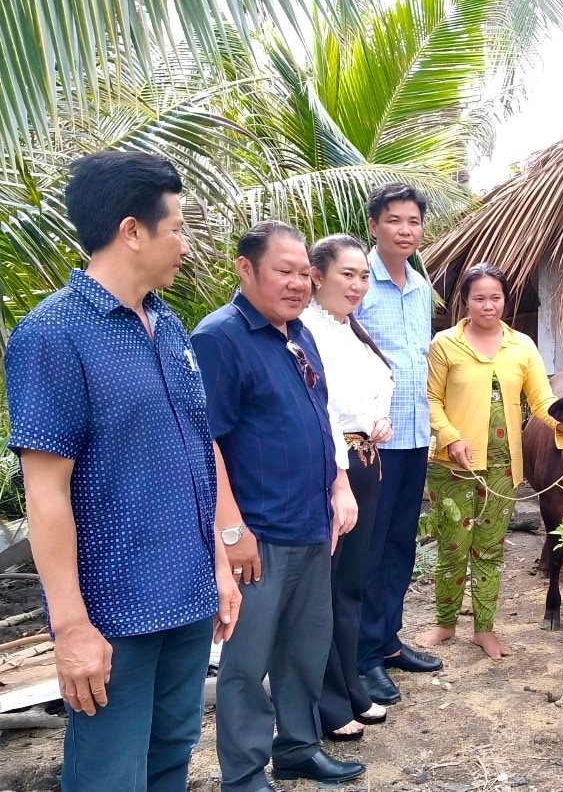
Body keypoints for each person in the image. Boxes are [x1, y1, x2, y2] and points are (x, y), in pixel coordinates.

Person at [4, 151, 240, 792]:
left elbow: (198, 448)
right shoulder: (53, 335)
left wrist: (219, 564)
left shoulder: (168, 327)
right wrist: (71, 627)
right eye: (179, 229)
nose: (186, 245)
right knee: (109, 773)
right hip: (115, 613)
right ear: (132, 231)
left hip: (188, 598)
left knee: (171, 753)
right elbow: (45, 492)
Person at [191, 222, 364, 791]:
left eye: (303, 274)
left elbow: (321, 416)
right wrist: (232, 530)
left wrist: (338, 485)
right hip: (258, 533)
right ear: (246, 270)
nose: (297, 284)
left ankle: (296, 748)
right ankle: (243, 774)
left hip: (311, 522)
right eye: (283, 272)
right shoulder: (219, 338)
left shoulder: (298, 333)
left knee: (304, 649)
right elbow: (207, 440)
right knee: (246, 663)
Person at [413, 264, 563, 660]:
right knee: (453, 547)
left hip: (503, 467)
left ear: (505, 299)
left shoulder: (521, 346)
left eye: (496, 297)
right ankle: (445, 622)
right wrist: (451, 437)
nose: (488, 306)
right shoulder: (445, 344)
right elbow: (431, 402)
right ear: (466, 301)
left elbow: (541, 400)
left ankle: (485, 629)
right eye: (479, 298)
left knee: (490, 550)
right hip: (453, 464)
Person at [300, 234, 395, 742]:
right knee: (329, 590)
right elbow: (321, 410)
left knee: (351, 585)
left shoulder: (349, 329)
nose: (358, 285)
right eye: (347, 274)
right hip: (334, 471)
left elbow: (372, 390)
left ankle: (351, 685)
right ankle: (329, 700)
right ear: (317, 276)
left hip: (366, 461)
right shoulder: (307, 331)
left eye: (363, 276)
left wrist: (378, 420)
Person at [356, 183, 443, 706]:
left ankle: (387, 641)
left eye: (413, 221)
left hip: (414, 437)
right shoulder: (357, 280)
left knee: (399, 545)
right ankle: (362, 656)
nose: (405, 230)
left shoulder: (419, 284)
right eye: (394, 220)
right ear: (374, 225)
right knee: (367, 549)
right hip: (372, 442)